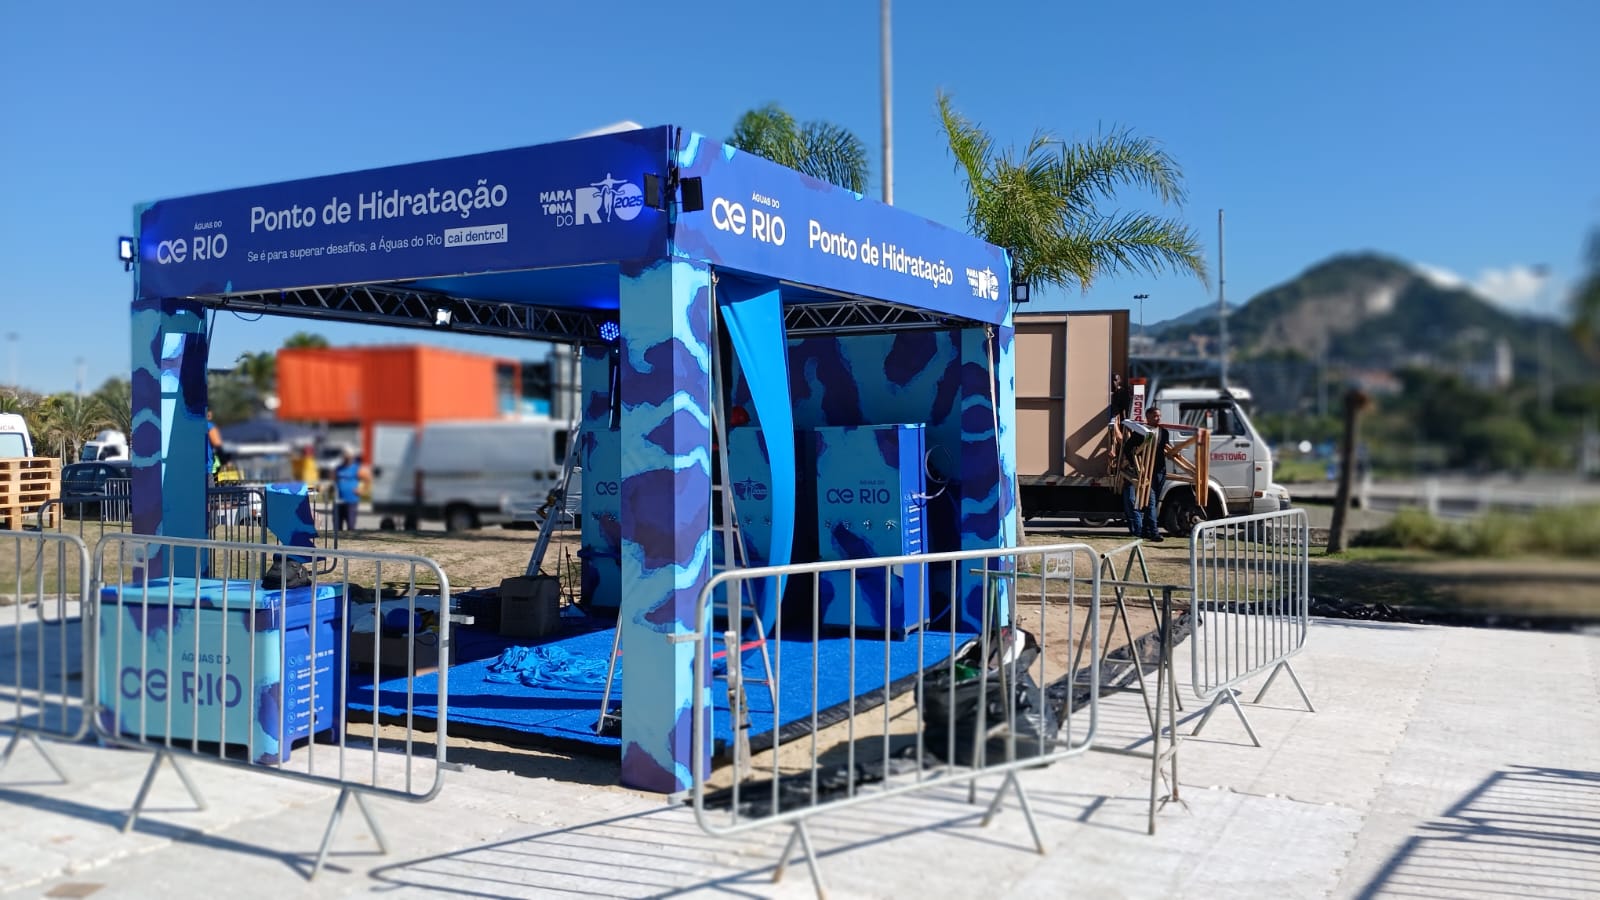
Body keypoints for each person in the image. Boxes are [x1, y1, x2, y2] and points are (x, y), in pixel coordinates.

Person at [333, 448, 366, 532]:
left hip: (351, 501)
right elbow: (334, 480)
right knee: (337, 527)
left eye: (349, 457)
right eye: (345, 457)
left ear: (352, 457)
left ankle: (350, 542)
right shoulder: (338, 468)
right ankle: (338, 543)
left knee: (351, 527)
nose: (347, 459)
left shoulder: (357, 468)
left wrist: (361, 489)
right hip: (338, 501)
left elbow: (366, 479)